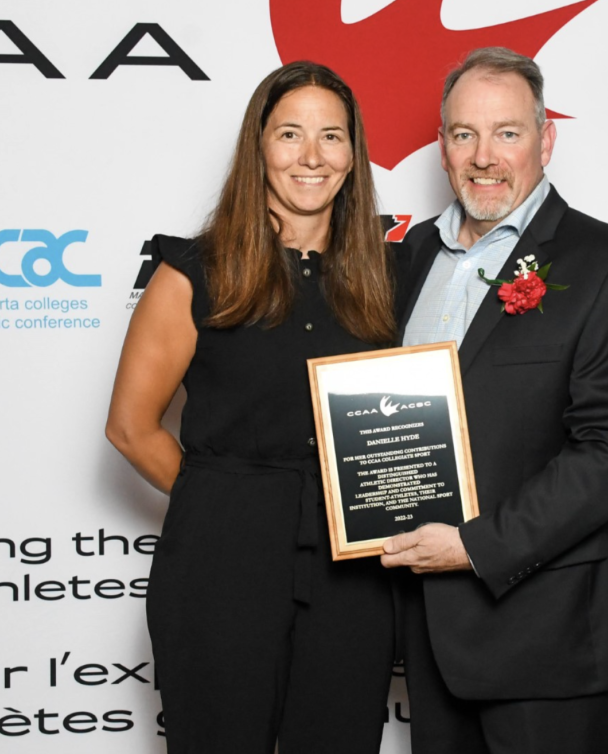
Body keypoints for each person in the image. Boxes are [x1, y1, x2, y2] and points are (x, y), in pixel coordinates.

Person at [381, 47, 608, 754]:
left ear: (545, 140)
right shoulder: (402, 258)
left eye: (507, 133)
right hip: (427, 635)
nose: (484, 156)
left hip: (549, 638)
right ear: (443, 148)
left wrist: (475, 547)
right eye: (462, 134)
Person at [105, 61, 399, 754]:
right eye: (289, 134)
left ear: (353, 155)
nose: (311, 157)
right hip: (221, 565)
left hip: (350, 571)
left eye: (332, 136)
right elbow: (129, 427)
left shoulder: (389, 278)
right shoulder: (193, 272)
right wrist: (226, 501)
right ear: (258, 146)